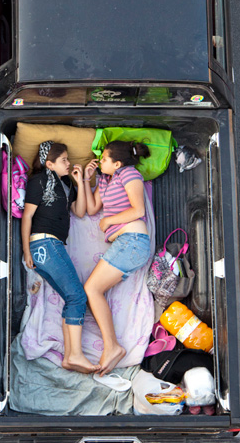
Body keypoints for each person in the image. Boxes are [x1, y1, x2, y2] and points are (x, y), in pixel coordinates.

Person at [21, 141, 99, 374]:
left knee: (72, 297)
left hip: (52, 246)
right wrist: (27, 250)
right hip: (44, 243)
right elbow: (27, 217)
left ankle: (70, 356)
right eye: (64, 160)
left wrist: (82, 180)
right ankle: (74, 354)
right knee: (77, 296)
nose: (69, 163)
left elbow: (80, 211)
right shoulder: (39, 181)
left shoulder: (65, 183)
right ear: (49, 164)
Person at [83, 140, 152, 375]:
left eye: (104, 158)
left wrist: (108, 221)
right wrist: (86, 178)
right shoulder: (106, 180)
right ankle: (112, 346)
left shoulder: (129, 174)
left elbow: (138, 210)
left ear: (118, 163)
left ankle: (112, 347)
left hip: (132, 241)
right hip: (125, 244)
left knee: (92, 289)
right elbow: (91, 209)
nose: (100, 160)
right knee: (92, 289)